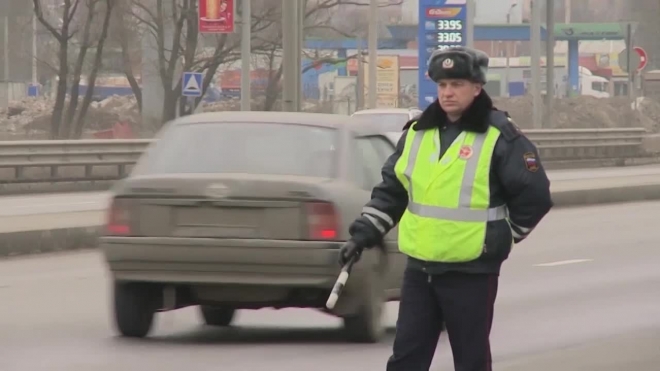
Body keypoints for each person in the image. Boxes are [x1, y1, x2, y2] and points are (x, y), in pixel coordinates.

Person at [339, 46, 553, 371]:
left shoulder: (500, 136)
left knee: (470, 361)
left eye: (457, 85)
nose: (448, 92)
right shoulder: (417, 133)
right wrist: (363, 234)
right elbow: (392, 191)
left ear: (477, 88)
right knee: (406, 359)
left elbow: (534, 195)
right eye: (442, 85)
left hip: (471, 271)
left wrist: (502, 237)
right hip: (420, 270)